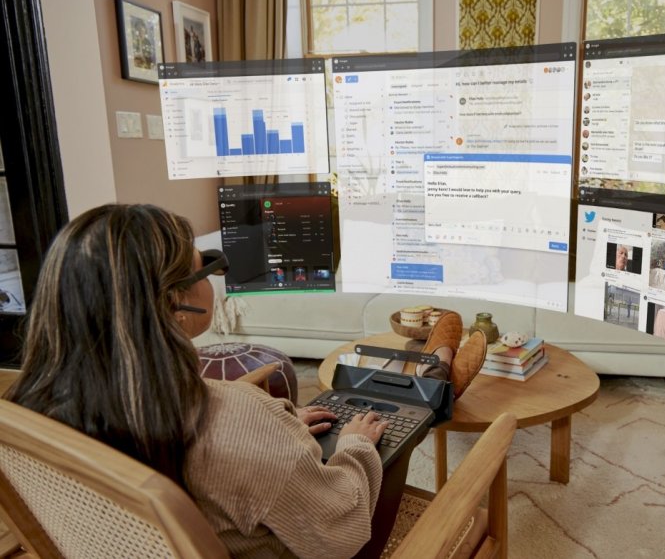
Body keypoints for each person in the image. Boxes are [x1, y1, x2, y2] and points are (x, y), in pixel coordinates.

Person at [3, 204, 395, 558]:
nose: (216, 277)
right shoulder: (237, 419)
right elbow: (340, 537)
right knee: (391, 449)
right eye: (209, 266)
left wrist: (279, 437)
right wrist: (355, 446)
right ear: (175, 303)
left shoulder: (24, 410)